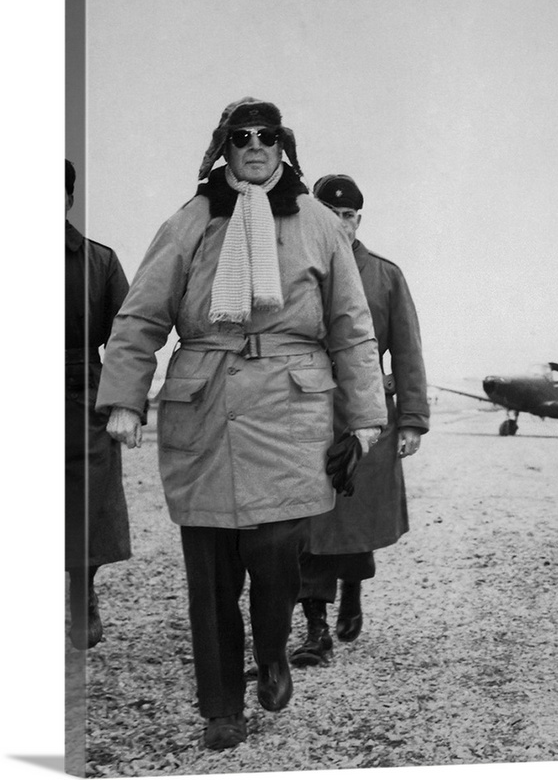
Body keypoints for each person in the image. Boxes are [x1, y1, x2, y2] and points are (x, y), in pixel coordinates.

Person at [96, 98, 387, 751]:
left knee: (276, 549)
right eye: (241, 136)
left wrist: (364, 421)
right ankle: (221, 704)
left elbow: (351, 327)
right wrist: (125, 398)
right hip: (205, 410)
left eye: (267, 135)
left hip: (291, 408)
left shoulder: (316, 224)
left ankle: (276, 649)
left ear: (283, 145)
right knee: (211, 570)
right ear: (222, 148)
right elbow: (142, 316)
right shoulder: (191, 222)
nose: (255, 145)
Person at [290, 174, 429, 664]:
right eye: (332, 215)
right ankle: (315, 630)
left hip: (363, 417)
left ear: (358, 220)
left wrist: (411, 420)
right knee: (307, 523)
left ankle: (351, 587)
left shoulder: (385, 276)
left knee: (352, 521)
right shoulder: (297, 267)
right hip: (303, 411)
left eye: (349, 217)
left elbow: (408, 352)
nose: (342, 225)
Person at [65, 158, 132, 650]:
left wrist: (122, 404)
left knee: (87, 504)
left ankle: (81, 595)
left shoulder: (99, 261)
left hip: (80, 389)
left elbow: (128, 337)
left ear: (68, 200)